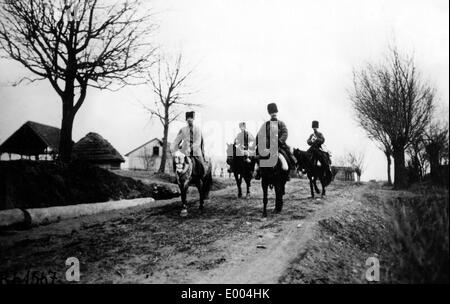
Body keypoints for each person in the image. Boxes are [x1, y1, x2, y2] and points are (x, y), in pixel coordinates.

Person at [255, 103, 296, 180]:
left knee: (287, 156)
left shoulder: (281, 123)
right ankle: (259, 171)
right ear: (269, 113)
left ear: (276, 112)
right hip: (268, 147)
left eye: (274, 112)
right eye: (271, 112)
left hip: (279, 146)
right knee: (259, 157)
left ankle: (287, 173)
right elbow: (259, 135)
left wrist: (280, 141)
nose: (273, 114)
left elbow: (285, 133)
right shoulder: (266, 124)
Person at [171, 111, 207, 177]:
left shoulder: (197, 129)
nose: (189, 120)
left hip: (195, 149)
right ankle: (175, 174)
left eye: (191, 118)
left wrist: (191, 148)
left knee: (200, 161)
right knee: (175, 158)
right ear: (186, 120)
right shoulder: (183, 129)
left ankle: (202, 175)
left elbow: (198, 141)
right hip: (184, 148)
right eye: (188, 118)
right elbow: (177, 140)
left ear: (193, 119)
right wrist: (174, 147)